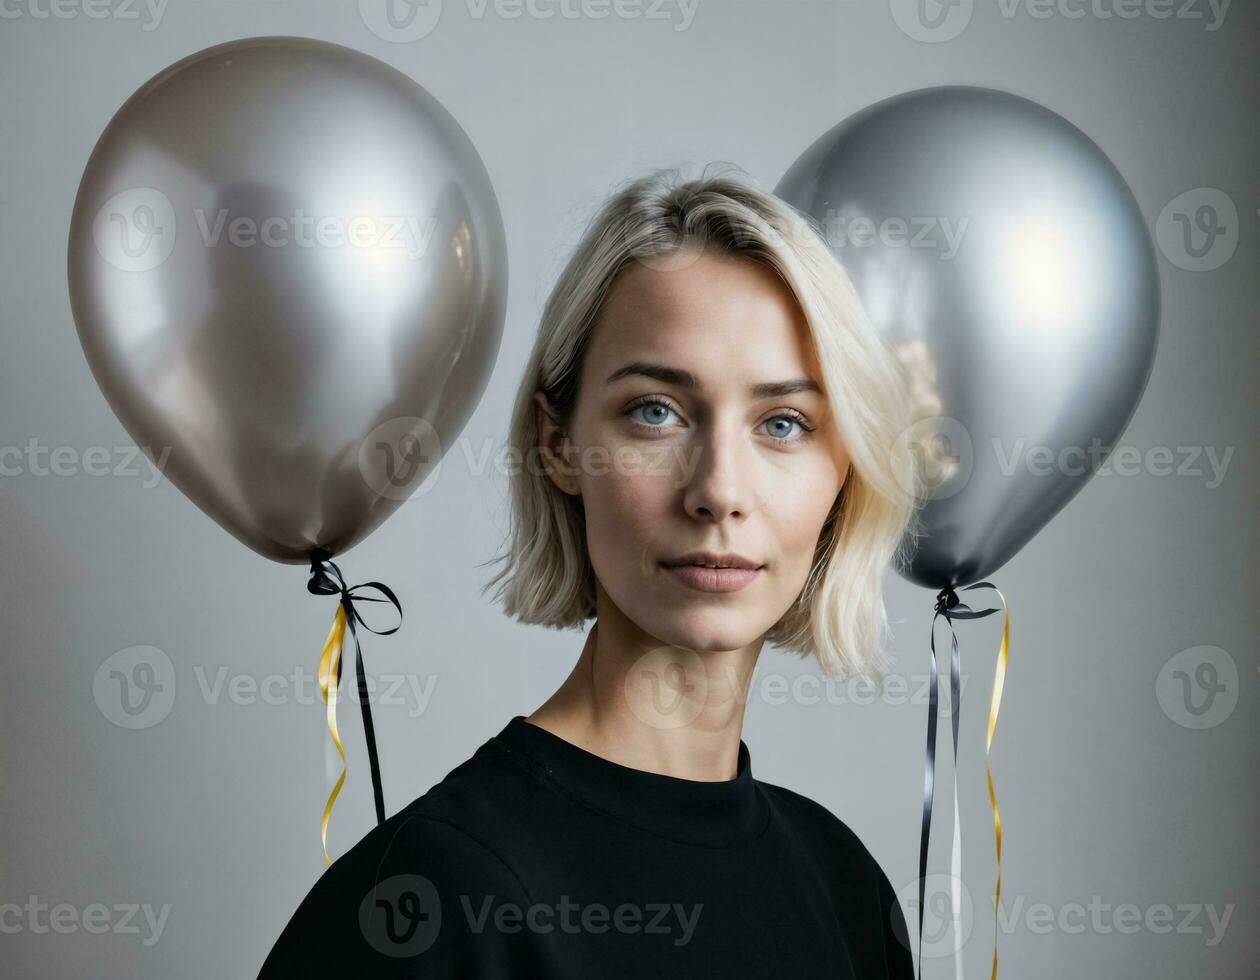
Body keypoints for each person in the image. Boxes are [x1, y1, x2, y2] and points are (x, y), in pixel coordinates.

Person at [258, 165, 921, 978]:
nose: (719, 491)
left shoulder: (845, 884)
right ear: (559, 443)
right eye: (656, 412)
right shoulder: (435, 893)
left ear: (844, 469)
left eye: (783, 423)